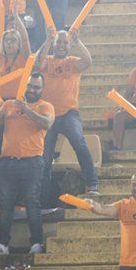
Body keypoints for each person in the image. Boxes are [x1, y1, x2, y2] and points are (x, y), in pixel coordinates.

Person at [35, 30, 99, 197]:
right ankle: (43, 195)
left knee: (79, 142)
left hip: (69, 113)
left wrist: (78, 42)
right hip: (48, 114)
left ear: (69, 46)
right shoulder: (47, 60)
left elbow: (88, 61)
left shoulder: (72, 62)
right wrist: (47, 41)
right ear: (54, 44)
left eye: (65, 42)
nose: (62, 45)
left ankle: (92, 184)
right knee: (45, 157)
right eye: (59, 42)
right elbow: (36, 64)